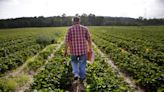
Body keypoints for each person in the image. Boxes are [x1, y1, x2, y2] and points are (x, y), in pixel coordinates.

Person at [64, 16, 92, 82]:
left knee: (74, 62)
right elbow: (89, 39)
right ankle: (82, 77)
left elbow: (66, 41)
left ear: (73, 21)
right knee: (82, 63)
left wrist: (65, 50)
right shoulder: (85, 28)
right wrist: (90, 48)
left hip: (73, 50)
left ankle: (76, 73)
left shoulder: (70, 29)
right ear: (79, 21)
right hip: (83, 50)